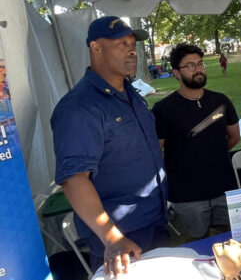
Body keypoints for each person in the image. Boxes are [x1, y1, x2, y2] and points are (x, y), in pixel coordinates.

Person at [51, 16, 168, 277]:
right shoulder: (80, 108)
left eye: (132, 44)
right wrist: (111, 237)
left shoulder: (130, 93)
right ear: (96, 48)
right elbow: (73, 180)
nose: (131, 50)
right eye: (121, 43)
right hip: (122, 233)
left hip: (154, 217)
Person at [151, 44, 240, 239]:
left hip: (224, 185)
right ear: (176, 72)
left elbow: (234, 137)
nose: (198, 69)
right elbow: (156, 151)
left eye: (200, 64)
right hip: (187, 193)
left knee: (233, 237)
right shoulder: (163, 109)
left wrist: (212, 154)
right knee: (200, 242)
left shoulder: (220, 102)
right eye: (190, 66)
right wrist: (183, 162)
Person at [91, 239, 241, 280]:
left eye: (240, 249)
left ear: (235, 277)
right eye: (240, 242)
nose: (233, 241)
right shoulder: (189, 252)